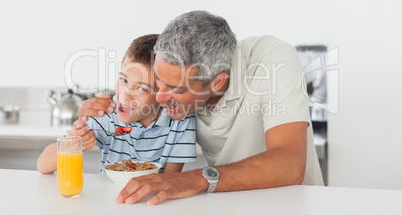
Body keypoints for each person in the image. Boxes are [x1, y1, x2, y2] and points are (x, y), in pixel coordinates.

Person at [79, 11, 324, 206]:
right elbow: (134, 110)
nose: (161, 96)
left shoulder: (273, 59)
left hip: (293, 206)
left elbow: (290, 164)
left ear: (217, 82)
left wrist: (196, 178)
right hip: (229, 205)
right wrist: (101, 110)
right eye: (157, 81)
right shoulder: (170, 92)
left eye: (176, 88)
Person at [37, 34, 196, 175]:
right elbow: (43, 165)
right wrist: (73, 141)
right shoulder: (107, 114)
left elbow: (169, 182)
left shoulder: (180, 121)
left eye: (141, 88)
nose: (125, 94)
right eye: (123, 80)